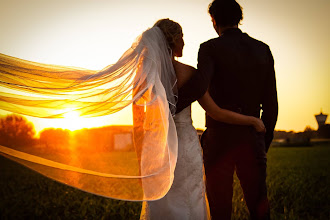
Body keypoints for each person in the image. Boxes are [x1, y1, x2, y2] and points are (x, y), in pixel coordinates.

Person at [140, 18, 266, 220]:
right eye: (182, 37)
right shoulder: (190, 73)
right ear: (174, 40)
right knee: (189, 200)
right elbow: (216, 112)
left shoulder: (144, 75)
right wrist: (251, 120)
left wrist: (141, 161)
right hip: (184, 148)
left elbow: (139, 124)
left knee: (162, 204)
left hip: (156, 150)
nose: (184, 43)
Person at [176, 1, 278, 219]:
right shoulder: (263, 50)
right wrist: (262, 141)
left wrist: (170, 107)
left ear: (214, 20)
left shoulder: (210, 48)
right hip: (252, 137)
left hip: (219, 139)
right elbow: (271, 104)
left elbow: (199, 85)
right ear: (239, 18)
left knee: (220, 209)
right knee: (259, 207)